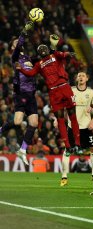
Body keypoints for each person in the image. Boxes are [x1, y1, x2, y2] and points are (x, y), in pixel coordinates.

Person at [15, 42, 82, 157]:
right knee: (63, 118)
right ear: (39, 54)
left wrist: (68, 54)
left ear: (47, 49)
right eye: (40, 49)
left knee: (70, 116)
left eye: (43, 48)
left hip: (62, 88)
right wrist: (20, 69)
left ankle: (77, 144)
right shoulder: (40, 63)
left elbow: (64, 54)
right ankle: (69, 146)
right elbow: (31, 73)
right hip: (57, 90)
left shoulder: (53, 56)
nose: (42, 50)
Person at [0, 21, 37, 166]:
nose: (19, 43)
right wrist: (23, 32)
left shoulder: (28, 58)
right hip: (21, 92)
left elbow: (40, 59)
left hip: (31, 94)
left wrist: (51, 49)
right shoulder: (14, 57)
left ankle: (22, 150)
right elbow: (18, 44)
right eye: (16, 42)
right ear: (12, 47)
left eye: (19, 41)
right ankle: (1, 129)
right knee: (17, 122)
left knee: (33, 123)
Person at [60, 71, 93, 187]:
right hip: (72, 126)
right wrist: (58, 119)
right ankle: (64, 177)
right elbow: (61, 105)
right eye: (79, 76)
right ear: (76, 79)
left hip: (86, 126)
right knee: (67, 150)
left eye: (83, 76)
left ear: (87, 79)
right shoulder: (71, 90)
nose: (81, 77)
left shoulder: (91, 93)